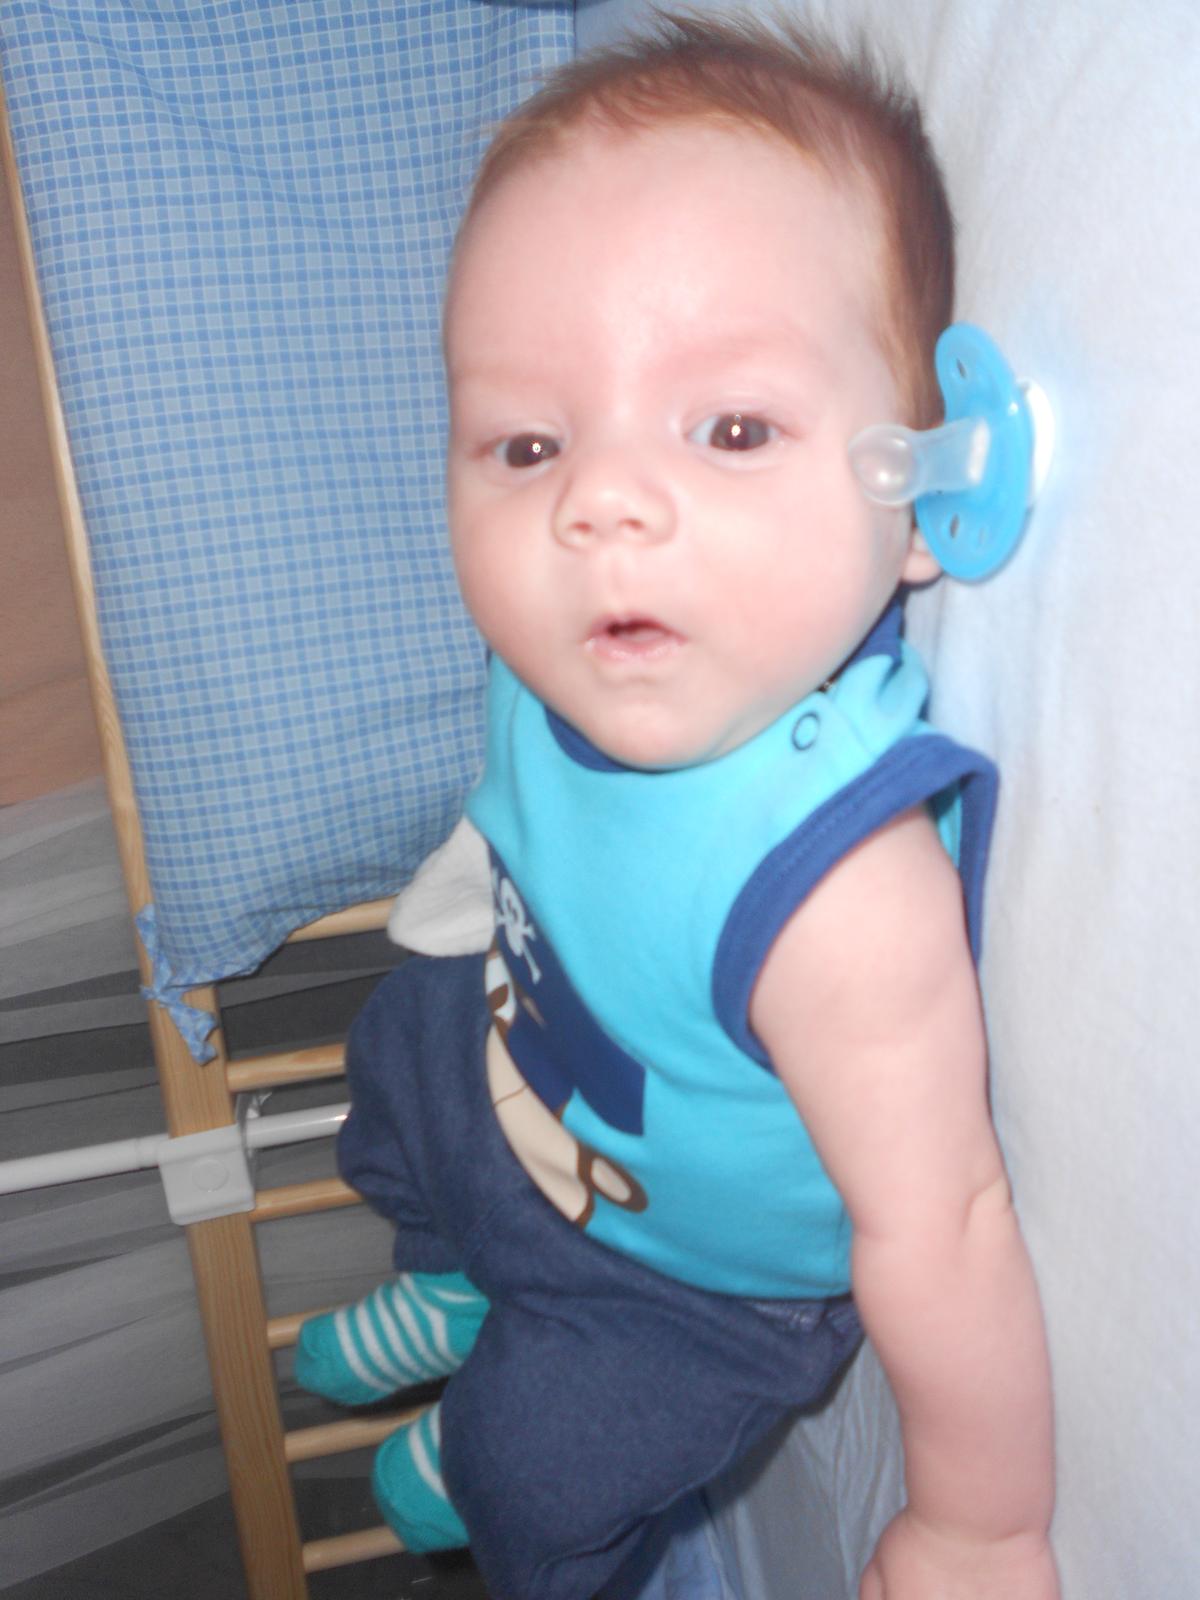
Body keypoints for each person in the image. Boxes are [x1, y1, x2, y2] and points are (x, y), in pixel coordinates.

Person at [296, 17, 1060, 1599]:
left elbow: (946, 1226)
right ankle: (455, 1272)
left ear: (920, 493)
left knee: (531, 1476)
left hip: (683, 1285)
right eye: (528, 443)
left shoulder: (837, 890)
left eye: (730, 429)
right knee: (388, 1050)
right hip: (513, 1060)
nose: (597, 503)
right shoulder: (555, 660)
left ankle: (479, 1422)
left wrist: (977, 1524)